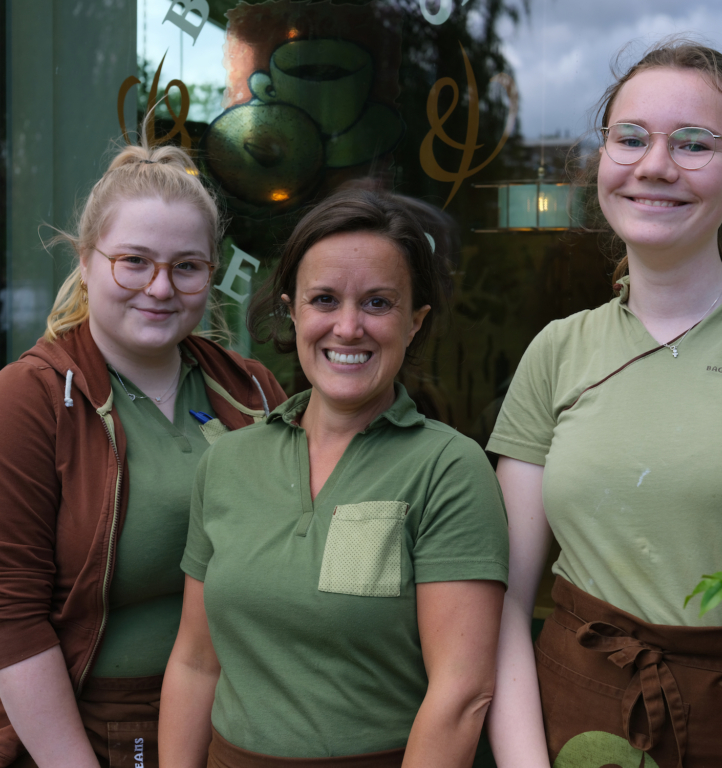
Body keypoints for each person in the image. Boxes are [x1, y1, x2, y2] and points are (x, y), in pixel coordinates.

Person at [486, 39, 722, 768]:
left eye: (695, 144)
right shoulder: (556, 352)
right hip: (569, 717)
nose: (654, 165)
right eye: (631, 138)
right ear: (603, 160)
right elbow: (506, 608)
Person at [159, 189, 510, 768]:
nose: (348, 328)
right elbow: (196, 662)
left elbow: (462, 694)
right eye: (324, 300)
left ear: (415, 321)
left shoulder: (448, 468)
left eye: (378, 303)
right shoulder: (227, 463)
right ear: (292, 310)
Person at [0, 135, 286, 768]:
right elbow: (10, 620)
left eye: (186, 266)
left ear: (212, 272)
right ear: (86, 259)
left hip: (246, 715)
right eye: (134, 261)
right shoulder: (33, 396)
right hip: (104, 725)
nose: (160, 288)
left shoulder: (250, 387)